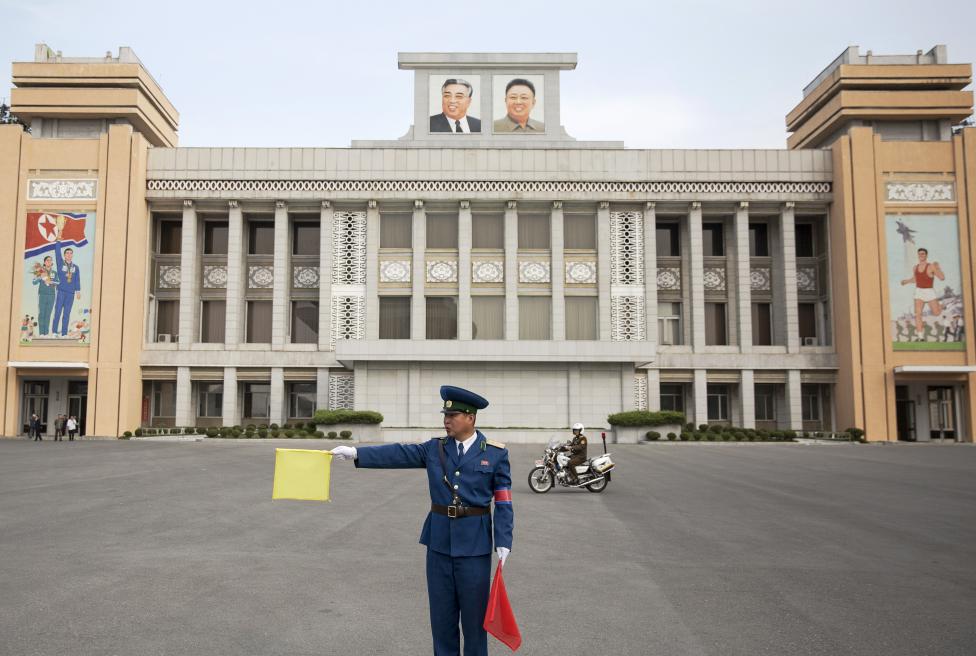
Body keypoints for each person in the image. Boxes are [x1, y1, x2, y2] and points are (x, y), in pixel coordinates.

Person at [331, 385, 513, 656]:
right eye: (445, 415)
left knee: (475, 622)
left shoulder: (495, 454)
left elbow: (504, 501)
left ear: (471, 418)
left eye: (453, 415)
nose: (446, 420)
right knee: (441, 619)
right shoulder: (435, 448)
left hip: (474, 546)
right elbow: (399, 453)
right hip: (439, 543)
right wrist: (358, 453)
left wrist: (504, 540)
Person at [900, 247, 945, 339]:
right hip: (919, 291)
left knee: (936, 313)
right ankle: (920, 337)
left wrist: (938, 268)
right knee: (918, 314)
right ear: (918, 255)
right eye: (919, 254)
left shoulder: (931, 266)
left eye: (923, 254)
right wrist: (906, 281)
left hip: (929, 291)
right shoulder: (915, 267)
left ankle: (941, 305)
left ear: (926, 255)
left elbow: (942, 278)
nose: (921, 255)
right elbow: (916, 279)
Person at [51, 242, 81, 337]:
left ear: (72, 255)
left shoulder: (76, 267)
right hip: (61, 291)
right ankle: (54, 332)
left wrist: (78, 291)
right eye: (67, 253)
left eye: (70, 253)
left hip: (71, 293)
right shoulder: (60, 263)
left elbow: (77, 279)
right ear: (64, 255)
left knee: (67, 313)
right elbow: (57, 253)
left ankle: (64, 333)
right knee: (58, 312)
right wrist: (58, 242)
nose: (69, 255)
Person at [32, 256, 59, 336]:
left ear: (52, 263)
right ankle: (41, 333)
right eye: (47, 260)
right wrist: (40, 277)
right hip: (42, 295)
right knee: (42, 314)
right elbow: (34, 282)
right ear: (44, 262)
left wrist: (50, 281)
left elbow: (58, 282)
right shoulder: (40, 271)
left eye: (50, 260)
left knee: (48, 315)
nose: (49, 262)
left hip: (51, 295)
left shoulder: (54, 272)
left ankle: (46, 334)